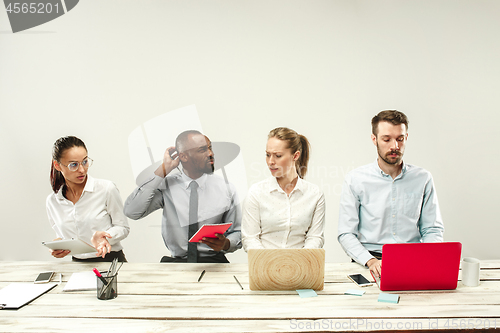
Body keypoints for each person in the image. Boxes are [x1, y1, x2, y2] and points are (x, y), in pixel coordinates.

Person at [338, 110, 444, 277]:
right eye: (386, 139)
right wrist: (370, 261)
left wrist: (427, 258)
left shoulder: (423, 178)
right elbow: (346, 233)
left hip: (413, 259)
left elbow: (432, 229)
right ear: (374, 139)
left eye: (400, 139)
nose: (394, 146)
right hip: (368, 261)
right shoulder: (355, 179)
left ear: (406, 138)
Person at [123, 130, 241, 263]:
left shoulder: (226, 188)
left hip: (215, 263)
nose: (210, 154)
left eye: (210, 148)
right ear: (184, 157)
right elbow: (132, 211)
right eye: (202, 150)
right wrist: (163, 170)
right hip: (177, 264)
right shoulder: (167, 186)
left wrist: (226, 244)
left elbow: (237, 232)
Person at [46, 136, 130, 262]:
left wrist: (105, 237)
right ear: (57, 165)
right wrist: (58, 246)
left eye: (85, 162)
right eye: (73, 165)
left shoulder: (106, 189)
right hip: (78, 264)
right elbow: (64, 235)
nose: (82, 170)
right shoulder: (53, 201)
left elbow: (123, 227)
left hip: (110, 261)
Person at [242, 127, 325, 250]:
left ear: (295, 155)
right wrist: (270, 262)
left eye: (278, 156)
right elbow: (250, 238)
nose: (270, 161)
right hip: (264, 265)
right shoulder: (256, 193)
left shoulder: (314, 194)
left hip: (301, 264)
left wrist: (300, 261)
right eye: (267, 155)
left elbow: (315, 237)